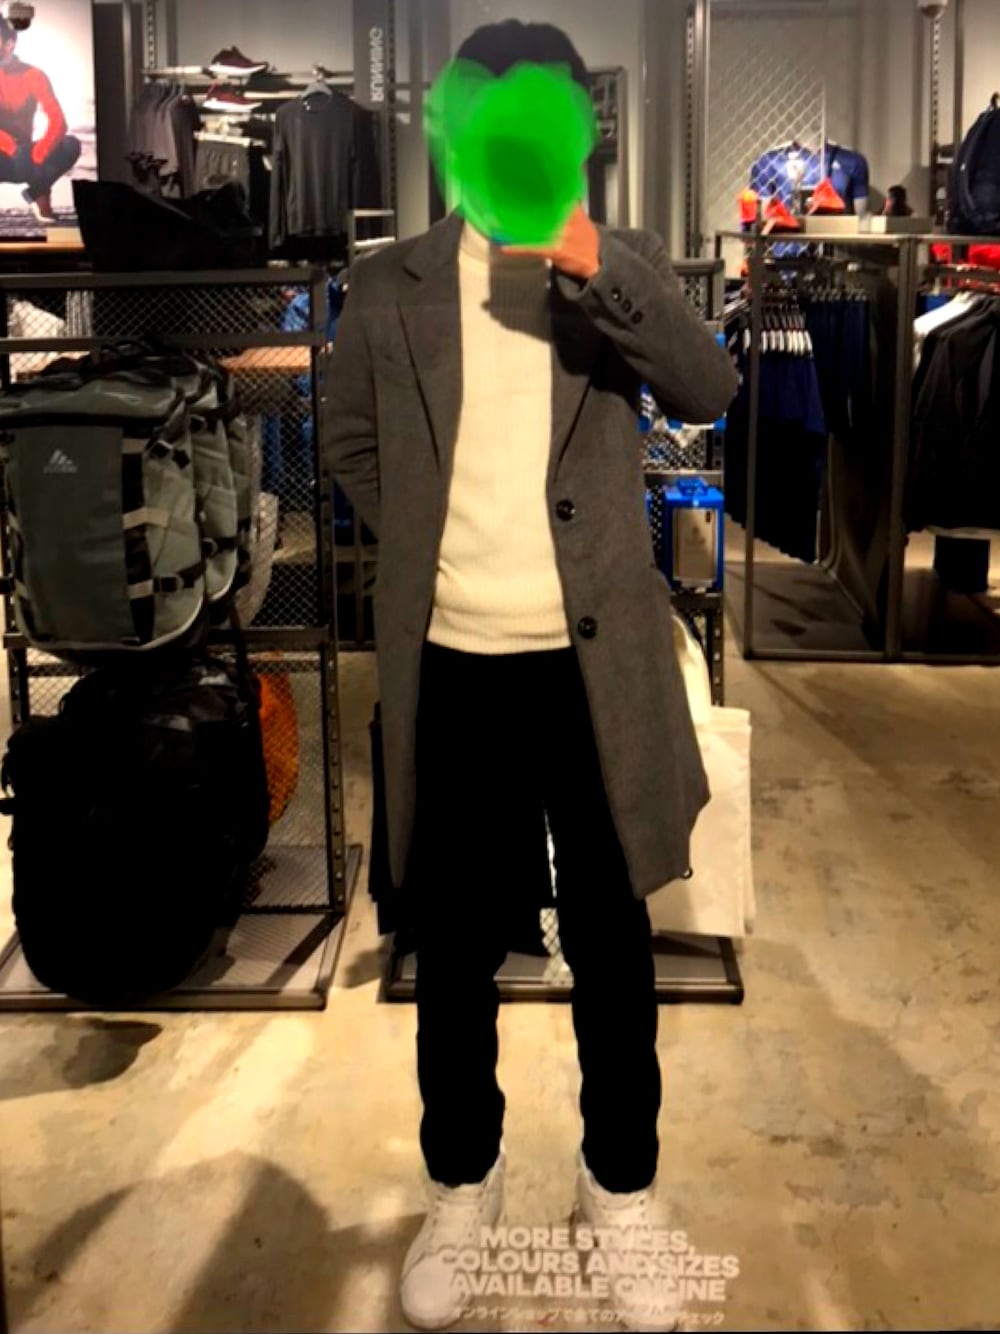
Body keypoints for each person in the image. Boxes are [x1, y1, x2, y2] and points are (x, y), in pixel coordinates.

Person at [326, 20, 738, 1332]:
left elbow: (711, 385)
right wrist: (428, 543)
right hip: (452, 663)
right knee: (452, 946)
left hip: (590, 666)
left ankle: (621, 1185)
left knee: (612, 939)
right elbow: (346, 440)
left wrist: (595, 262)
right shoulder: (389, 285)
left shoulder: (613, 264)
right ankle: (463, 1179)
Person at [0, 16, 80, 224]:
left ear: (9, 44)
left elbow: (58, 122)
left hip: (26, 159)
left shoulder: (34, 75)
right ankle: (40, 193)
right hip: (5, 154)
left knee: (71, 145)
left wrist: (38, 154)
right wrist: (12, 148)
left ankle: (36, 191)